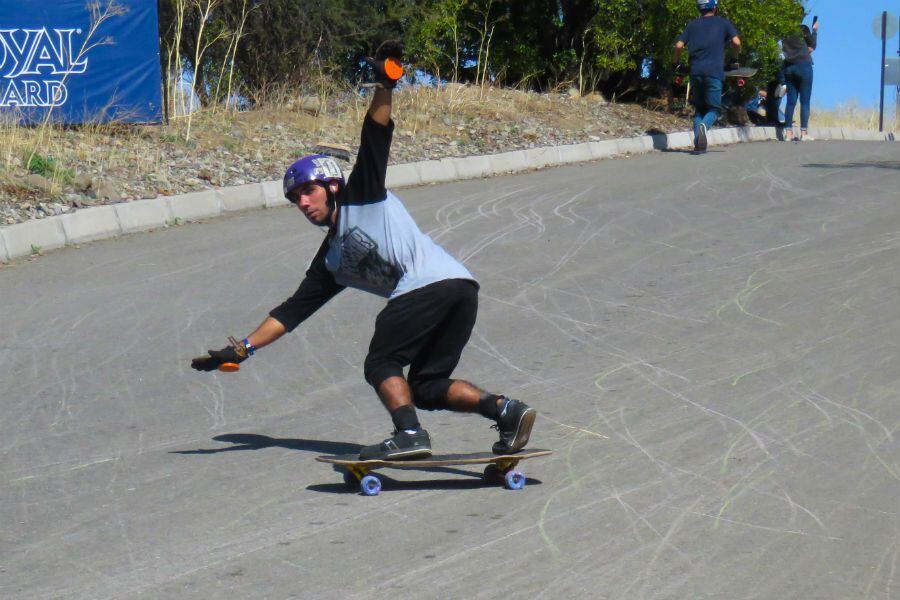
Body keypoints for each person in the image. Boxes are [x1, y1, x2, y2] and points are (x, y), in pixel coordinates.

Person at [189, 42, 536, 461]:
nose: (303, 202)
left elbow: (374, 136)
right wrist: (243, 349)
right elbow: (292, 311)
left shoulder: (361, 196)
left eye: (309, 191)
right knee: (425, 386)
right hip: (461, 288)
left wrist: (385, 84)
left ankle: (409, 435)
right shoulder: (332, 261)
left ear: (332, 186)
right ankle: (506, 411)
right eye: (295, 198)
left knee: (381, 362)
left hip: (431, 285)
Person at [674, 0, 741, 153]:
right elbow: (736, 42)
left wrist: (675, 64)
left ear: (699, 9)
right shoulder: (723, 23)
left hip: (695, 72)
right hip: (714, 72)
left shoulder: (692, 25)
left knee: (699, 110)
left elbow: (678, 46)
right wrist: (735, 59)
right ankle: (705, 126)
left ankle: (699, 145)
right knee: (714, 109)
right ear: (715, 7)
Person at [781, 17, 818, 141]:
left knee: (791, 101)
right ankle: (804, 132)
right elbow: (812, 45)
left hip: (789, 67)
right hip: (803, 66)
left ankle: (788, 132)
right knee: (805, 101)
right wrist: (815, 31)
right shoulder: (802, 29)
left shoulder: (784, 31)